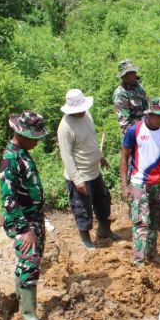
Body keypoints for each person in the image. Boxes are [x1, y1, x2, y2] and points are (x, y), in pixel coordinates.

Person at [0, 111, 49, 320]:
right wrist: (24, 229)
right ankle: (28, 315)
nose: (37, 141)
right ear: (20, 133)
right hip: (23, 221)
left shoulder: (22, 152)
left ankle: (22, 304)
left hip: (33, 217)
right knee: (29, 262)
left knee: (31, 260)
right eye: (34, 137)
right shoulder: (10, 159)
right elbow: (8, 198)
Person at [120, 98, 160, 267]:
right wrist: (124, 186)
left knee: (154, 221)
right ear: (149, 113)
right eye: (158, 116)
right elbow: (124, 157)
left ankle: (152, 253)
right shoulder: (135, 131)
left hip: (158, 183)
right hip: (138, 183)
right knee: (141, 222)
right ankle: (139, 261)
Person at [57, 89, 120, 251]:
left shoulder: (87, 115)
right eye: (78, 110)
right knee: (82, 208)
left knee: (103, 200)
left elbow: (91, 140)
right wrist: (77, 180)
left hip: (94, 171)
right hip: (80, 175)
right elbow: (66, 156)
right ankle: (85, 239)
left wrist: (101, 157)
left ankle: (104, 229)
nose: (82, 112)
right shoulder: (65, 127)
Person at [113, 59, 148, 135]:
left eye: (132, 73)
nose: (131, 76)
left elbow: (146, 107)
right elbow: (125, 124)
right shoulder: (120, 94)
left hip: (147, 129)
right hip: (134, 133)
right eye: (127, 74)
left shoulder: (139, 87)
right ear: (122, 77)